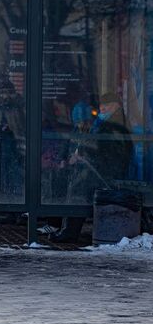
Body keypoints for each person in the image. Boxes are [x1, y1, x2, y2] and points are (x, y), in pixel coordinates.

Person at [49, 92, 133, 243]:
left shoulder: (114, 126)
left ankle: (69, 230)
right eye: (101, 106)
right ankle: (62, 226)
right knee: (68, 180)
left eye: (106, 106)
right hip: (101, 169)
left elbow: (111, 154)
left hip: (108, 173)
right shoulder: (106, 125)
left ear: (116, 106)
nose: (103, 109)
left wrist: (85, 156)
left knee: (78, 188)